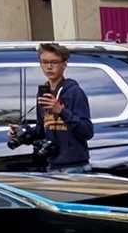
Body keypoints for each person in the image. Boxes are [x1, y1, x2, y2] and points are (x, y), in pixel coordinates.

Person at [21, 42, 94, 171]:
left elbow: (87, 131)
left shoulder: (74, 92)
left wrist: (61, 111)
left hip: (75, 167)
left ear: (64, 64)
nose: (49, 67)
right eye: (44, 62)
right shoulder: (44, 93)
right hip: (52, 166)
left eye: (54, 62)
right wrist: (21, 132)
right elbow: (40, 131)